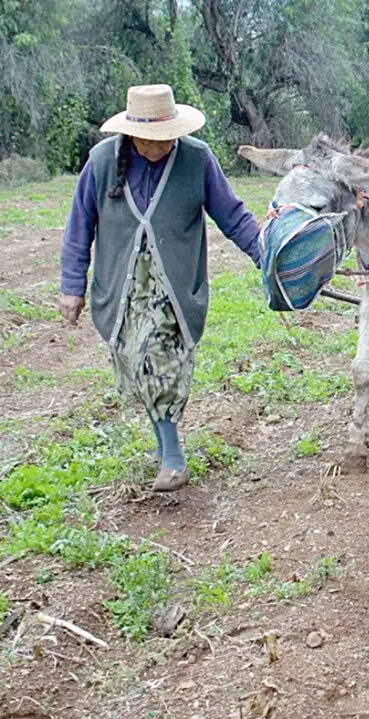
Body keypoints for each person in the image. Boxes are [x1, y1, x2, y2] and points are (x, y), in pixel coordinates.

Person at [59, 84, 262, 492]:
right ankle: (163, 444)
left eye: (168, 136)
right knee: (136, 362)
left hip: (174, 290)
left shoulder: (197, 159)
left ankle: (172, 458)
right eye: (152, 138)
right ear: (132, 134)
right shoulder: (102, 162)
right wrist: (72, 285)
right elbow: (79, 226)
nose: (161, 144)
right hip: (121, 289)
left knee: (157, 360)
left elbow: (233, 216)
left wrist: (265, 256)